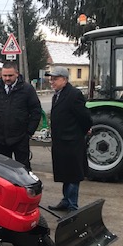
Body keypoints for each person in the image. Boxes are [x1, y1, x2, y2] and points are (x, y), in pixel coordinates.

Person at [46, 66, 93, 212]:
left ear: (64, 80)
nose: (51, 81)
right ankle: (65, 201)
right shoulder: (57, 95)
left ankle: (72, 205)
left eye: (55, 79)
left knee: (73, 175)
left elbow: (85, 117)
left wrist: (83, 131)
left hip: (72, 142)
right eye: (51, 79)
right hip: (60, 142)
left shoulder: (74, 94)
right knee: (64, 173)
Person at [0, 61, 42, 170]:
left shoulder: (27, 89)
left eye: (10, 75)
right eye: (4, 75)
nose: (7, 78)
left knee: (23, 169)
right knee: (3, 170)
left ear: (17, 74)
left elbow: (36, 111)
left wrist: (29, 132)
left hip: (20, 138)